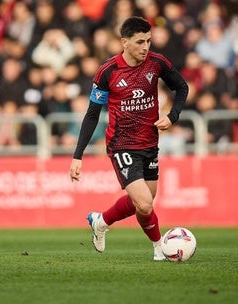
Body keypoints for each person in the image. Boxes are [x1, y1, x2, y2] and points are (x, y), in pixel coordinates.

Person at [69, 16, 189, 260]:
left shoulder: (156, 63)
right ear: (124, 42)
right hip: (121, 145)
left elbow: (182, 87)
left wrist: (172, 116)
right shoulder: (108, 71)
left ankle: (101, 221)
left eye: (148, 41)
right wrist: (77, 155)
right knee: (145, 204)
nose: (145, 47)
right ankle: (161, 249)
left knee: (142, 203)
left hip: (150, 143)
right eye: (139, 42)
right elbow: (92, 115)